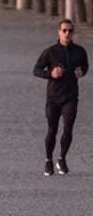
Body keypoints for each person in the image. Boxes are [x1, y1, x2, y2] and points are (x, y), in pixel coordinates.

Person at [33, 18, 89, 176]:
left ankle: (62, 158)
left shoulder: (80, 51)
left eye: (70, 30)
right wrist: (50, 74)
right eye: (64, 30)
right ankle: (48, 161)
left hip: (71, 96)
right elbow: (36, 70)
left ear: (73, 33)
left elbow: (85, 66)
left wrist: (82, 72)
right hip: (53, 97)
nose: (67, 33)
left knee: (68, 128)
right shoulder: (50, 51)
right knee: (52, 129)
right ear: (59, 32)